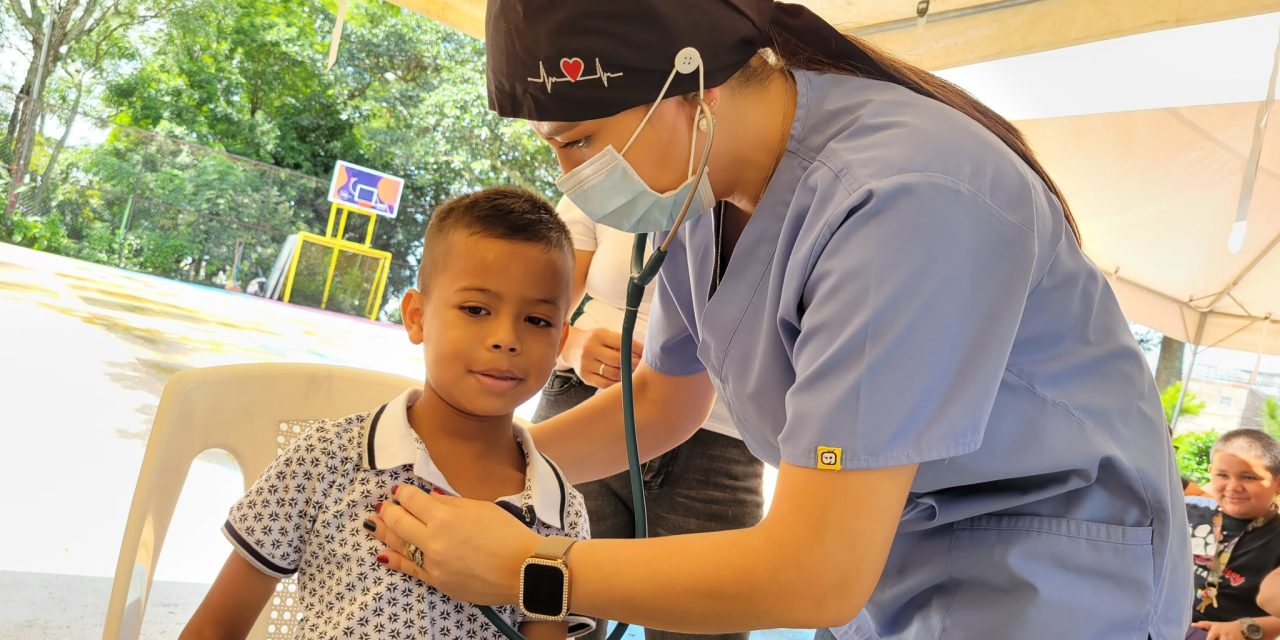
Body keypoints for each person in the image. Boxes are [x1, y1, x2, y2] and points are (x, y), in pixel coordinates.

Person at [367, 2, 1191, 638]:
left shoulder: (904, 197)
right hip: (892, 570)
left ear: (691, 83)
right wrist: (473, 460)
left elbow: (820, 568)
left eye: (578, 141)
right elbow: (665, 403)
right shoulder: (695, 190)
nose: (571, 176)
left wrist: (532, 568)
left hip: (1055, 585)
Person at [181, 187, 591, 640]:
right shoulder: (325, 458)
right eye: (476, 309)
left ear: (560, 342)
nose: (505, 338)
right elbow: (216, 627)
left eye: (537, 320)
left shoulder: (562, 512)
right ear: (416, 316)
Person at [532, 196, 764, 640]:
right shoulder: (602, 185)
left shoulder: (789, 198)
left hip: (721, 442)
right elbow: (530, 312)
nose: (571, 160)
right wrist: (574, 345)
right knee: (546, 618)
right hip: (586, 406)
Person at [1186, 430, 1280, 640]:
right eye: (1222, 475)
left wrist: (1249, 629)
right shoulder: (1184, 512)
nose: (1233, 487)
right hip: (1159, 625)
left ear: (1278, 483)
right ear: (1210, 471)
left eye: (1248, 477)